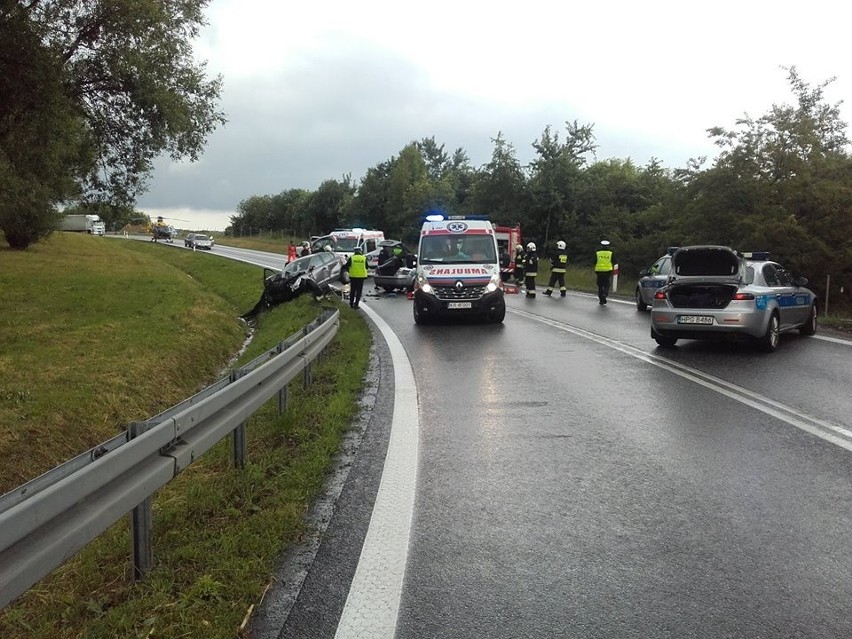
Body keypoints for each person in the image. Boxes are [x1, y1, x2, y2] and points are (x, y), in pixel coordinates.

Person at [595, 239, 614, 305]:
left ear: (601, 246)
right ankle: (605, 294)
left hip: (599, 271)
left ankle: (601, 299)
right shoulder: (611, 253)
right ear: (608, 246)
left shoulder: (598, 253)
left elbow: (594, 261)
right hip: (607, 271)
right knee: (607, 284)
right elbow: (615, 261)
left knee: (600, 285)